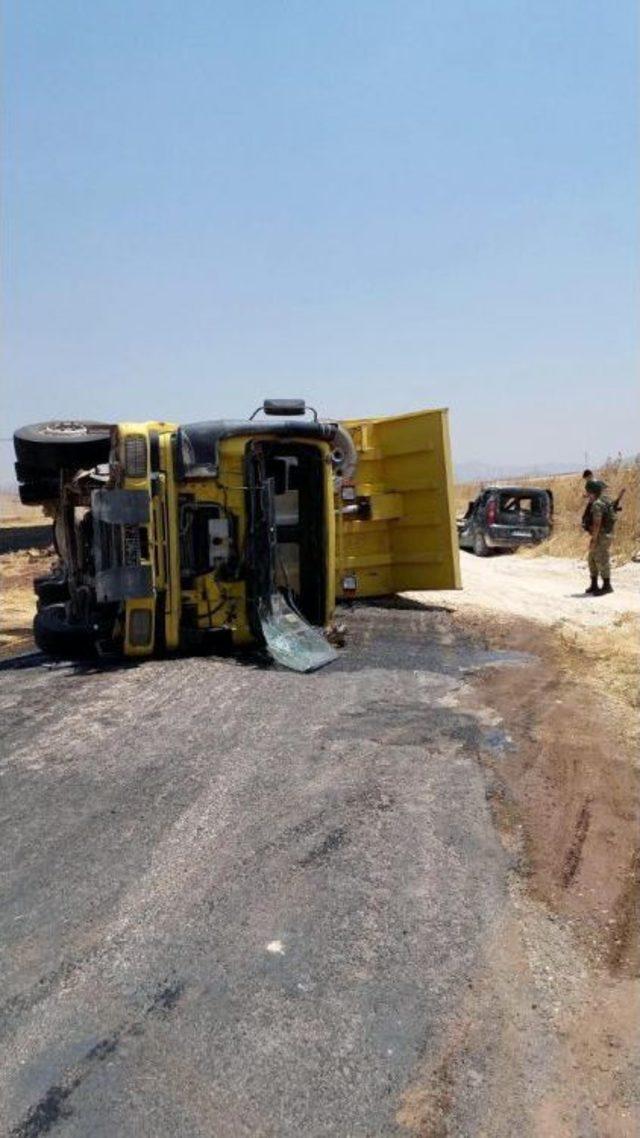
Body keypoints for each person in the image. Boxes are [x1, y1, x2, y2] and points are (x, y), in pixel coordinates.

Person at [584, 479, 616, 595]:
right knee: (591, 558)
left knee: (601, 559)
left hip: (601, 535)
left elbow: (597, 523)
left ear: (593, 492)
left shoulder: (598, 504)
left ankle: (607, 586)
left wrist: (593, 539)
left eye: (588, 492)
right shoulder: (605, 500)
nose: (587, 494)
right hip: (604, 534)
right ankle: (594, 585)